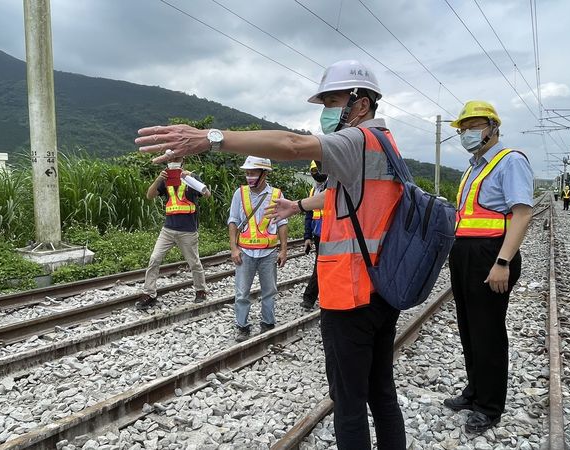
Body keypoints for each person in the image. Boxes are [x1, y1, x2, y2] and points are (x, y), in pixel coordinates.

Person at [136, 59, 407, 449]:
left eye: (332, 101)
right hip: (381, 288)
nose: (327, 113)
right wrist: (298, 206)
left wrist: (211, 138)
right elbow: (341, 196)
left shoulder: (357, 140)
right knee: (381, 390)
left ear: (359, 103)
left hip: (350, 293)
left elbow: (292, 145)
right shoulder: (386, 144)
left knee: (348, 402)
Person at [444, 100, 533, 433]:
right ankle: (474, 391)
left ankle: (490, 406)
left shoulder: (509, 161)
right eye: (464, 128)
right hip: (465, 252)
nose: (468, 132)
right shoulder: (472, 168)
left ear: (493, 127)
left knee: (488, 332)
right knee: (469, 328)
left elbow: (522, 214)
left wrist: (502, 262)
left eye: (475, 125)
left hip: (491, 254)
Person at [227, 156, 288, 342]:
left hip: (268, 253)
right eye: (247, 173)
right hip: (245, 252)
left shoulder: (276, 195)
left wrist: (283, 249)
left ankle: (267, 324)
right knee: (242, 292)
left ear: (264, 173)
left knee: (269, 291)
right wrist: (233, 248)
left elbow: (282, 222)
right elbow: (233, 221)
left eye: (252, 173)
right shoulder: (240, 193)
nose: (249, 177)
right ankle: (242, 326)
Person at [137, 156, 210, 309]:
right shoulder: (165, 179)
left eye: (177, 159)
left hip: (188, 231)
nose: (173, 162)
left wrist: (191, 179)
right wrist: (158, 179)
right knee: (154, 258)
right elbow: (149, 195)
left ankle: (201, 291)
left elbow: (207, 194)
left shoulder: (191, 177)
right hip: (168, 229)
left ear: (183, 161)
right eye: (171, 159)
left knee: (194, 263)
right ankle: (149, 293)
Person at [301, 160, 327, 309]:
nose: (316, 173)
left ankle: (309, 297)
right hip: (318, 234)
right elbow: (309, 216)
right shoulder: (313, 191)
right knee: (321, 264)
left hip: (332, 234)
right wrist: (307, 237)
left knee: (321, 264)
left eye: (319, 170)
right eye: (313, 171)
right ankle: (311, 297)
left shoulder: (332, 187)